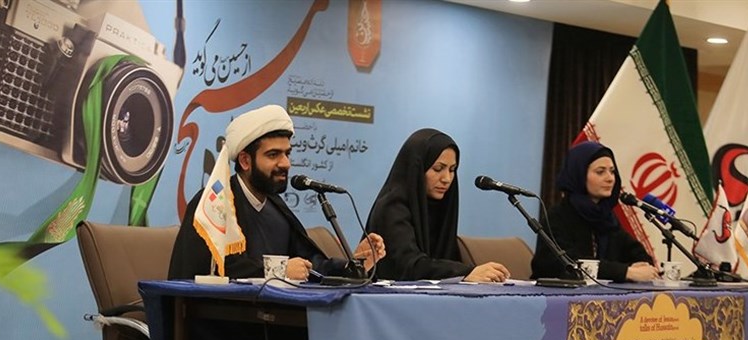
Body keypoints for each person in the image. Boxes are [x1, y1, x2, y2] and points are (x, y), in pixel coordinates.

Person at [169, 104, 385, 280]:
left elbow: (310, 264)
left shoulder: (276, 207)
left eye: (287, 154)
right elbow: (211, 271)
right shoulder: (213, 204)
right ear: (245, 161)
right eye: (273, 155)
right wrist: (279, 271)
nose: (285, 164)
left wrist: (352, 265)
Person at [364, 128, 510, 282]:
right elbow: (408, 266)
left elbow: (445, 259)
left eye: (452, 170)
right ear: (417, 168)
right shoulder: (392, 207)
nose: (446, 178)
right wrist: (466, 273)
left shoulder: (442, 205)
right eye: (438, 169)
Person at [530, 141, 659, 283]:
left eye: (612, 171)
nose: (610, 178)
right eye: (600, 172)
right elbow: (568, 264)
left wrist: (639, 267)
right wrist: (626, 272)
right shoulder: (557, 217)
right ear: (579, 175)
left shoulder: (607, 218)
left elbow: (640, 256)